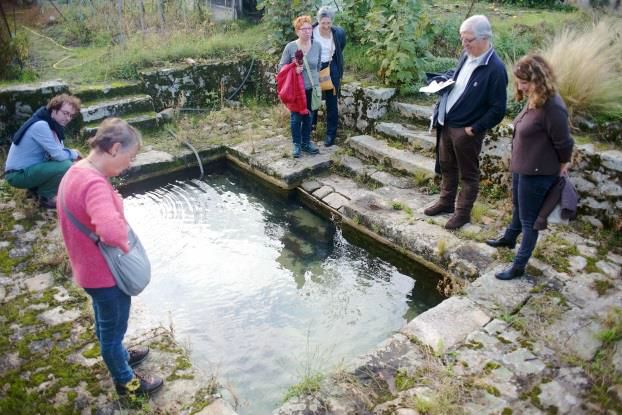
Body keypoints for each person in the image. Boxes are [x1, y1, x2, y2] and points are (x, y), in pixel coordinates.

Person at [57, 118, 164, 397]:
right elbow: (111, 231)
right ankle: (126, 381)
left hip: (87, 268)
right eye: (130, 157)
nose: (129, 164)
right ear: (115, 148)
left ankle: (119, 354)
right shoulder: (94, 184)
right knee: (113, 328)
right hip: (105, 274)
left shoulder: (77, 170)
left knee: (107, 323)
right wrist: (117, 208)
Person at [486, 55, 574, 280]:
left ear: (539, 79)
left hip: (537, 173)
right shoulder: (535, 98)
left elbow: (564, 143)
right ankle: (508, 238)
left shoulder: (554, 107)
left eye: (524, 82)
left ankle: (518, 266)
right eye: (518, 82)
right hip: (522, 167)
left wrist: (563, 165)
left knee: (530, 221)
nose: (520, 87)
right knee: (518, 206)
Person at [424, 15, 508, 230]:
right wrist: (442, 79)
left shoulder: (495, 69)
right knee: (446, 166)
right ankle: (445, 203)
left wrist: (475, 129)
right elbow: (457, 75)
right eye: (462, 39)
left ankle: (462, 214)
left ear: (484, 38)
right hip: (447, 123)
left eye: (468, 40)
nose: (464, 44)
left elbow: (498, 109)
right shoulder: (467, 55)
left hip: (467, 131)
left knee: (468, 175)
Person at [4, 94, 82, 209]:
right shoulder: (41, 125)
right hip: (17, 175)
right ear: (54, 109)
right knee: (65, 165)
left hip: (28, 170)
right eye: (65, 113)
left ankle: (34, 191)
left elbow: (58, 152)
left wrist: (72, 155)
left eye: (71, 115)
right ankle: (45, 197)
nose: (68, 118)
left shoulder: (53, 126)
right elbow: (59, 156)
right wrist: (75, 153)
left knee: (69, 163)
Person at [279, 15, 321, 158]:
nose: (307, 31)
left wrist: (316, 84)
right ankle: (297, 144)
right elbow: (281, 68)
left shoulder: (317, 46)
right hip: (297, 90)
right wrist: (293, 68)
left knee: (309, 117)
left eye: (309, 28)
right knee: (296, 118)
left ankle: (306, 142)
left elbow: (318, 66)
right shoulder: (291, 47)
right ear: (297, 31)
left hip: (312, 88)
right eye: (304, 29)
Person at [312, 6, 346, 147]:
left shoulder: (338, 33)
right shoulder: (311, 31)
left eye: (328, 23)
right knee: (313, 99)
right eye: (323, 23)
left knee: (332, 103)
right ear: (318, 20)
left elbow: (340, 47)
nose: (326, 26)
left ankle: (330, 134)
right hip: (314, 68)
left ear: (332, 22)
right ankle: (310, 128)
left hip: (331, 68)